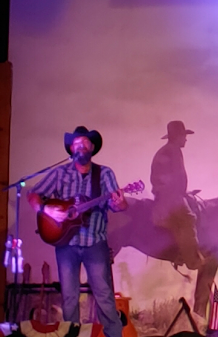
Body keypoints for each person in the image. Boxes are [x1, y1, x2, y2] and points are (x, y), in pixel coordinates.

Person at [27, 126, 128, 337]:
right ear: (71, 148)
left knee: (104, 296)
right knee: (69, 298)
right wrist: (46, 209)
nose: (81, 146)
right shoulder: (59, 173)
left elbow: (117, 205)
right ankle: (71, 335)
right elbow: (33, 194)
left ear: (92, 148)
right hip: (66, 245)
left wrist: (120, 203)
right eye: (77, 143)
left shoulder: (104, 173)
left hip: (95, 243)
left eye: (85, 143)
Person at [150, 120, 204, 270]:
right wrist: (181, 193)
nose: (185, 139)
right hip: (170, 198)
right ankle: (192, 261)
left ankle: (180, 252)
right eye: (183, 135)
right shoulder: (173, 151)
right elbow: (177, 177)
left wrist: (184, 192)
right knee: (189, 219)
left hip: (168, 195)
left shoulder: (166, 150)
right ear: (178, 136)